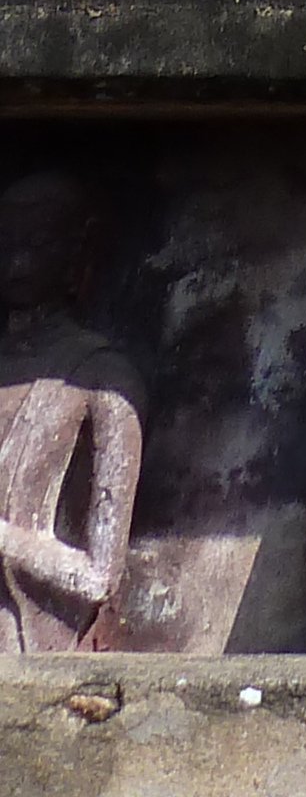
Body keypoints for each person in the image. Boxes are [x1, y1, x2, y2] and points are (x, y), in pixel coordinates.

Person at [0, 169, 142, 654]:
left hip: (23, 638)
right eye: (7, 237)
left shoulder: (100, 376)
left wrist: (7, 541)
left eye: (38, 239)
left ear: (75, 255)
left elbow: (100, 575)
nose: (17, 256)